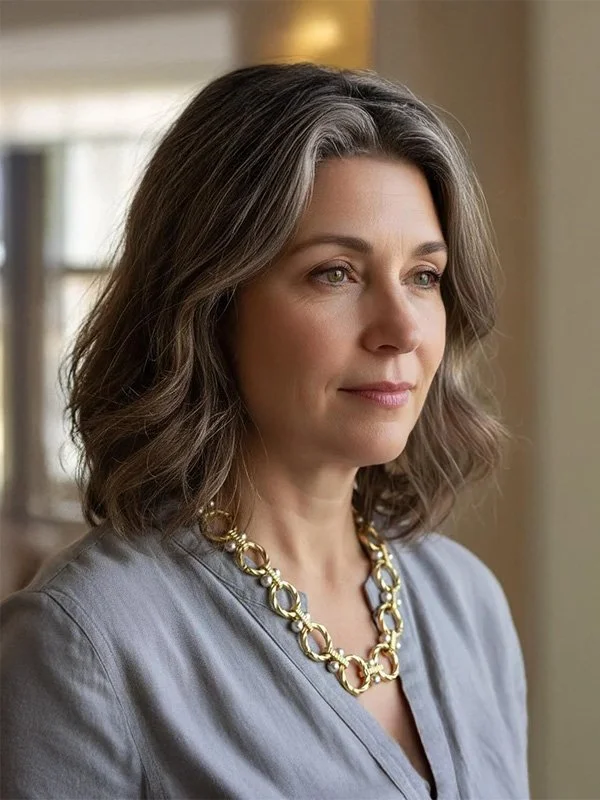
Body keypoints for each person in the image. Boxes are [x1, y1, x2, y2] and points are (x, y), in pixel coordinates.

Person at [0, 63, 528, 800]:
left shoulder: (466, 601)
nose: (402, 329)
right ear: (210, 305)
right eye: (335, 274)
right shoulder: (85, 643)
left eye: (424, 276)